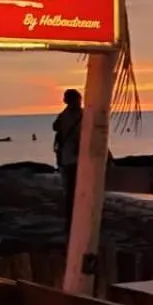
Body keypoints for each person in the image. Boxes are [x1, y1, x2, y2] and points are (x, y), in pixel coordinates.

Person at [53, 88, 83, 233]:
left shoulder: (63, 116)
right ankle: (74, 222)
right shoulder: (80, 115)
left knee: (71, 193)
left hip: (68, 159)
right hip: (75, 159)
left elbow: (55, 128)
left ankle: (71, 222)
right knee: (75, 192)